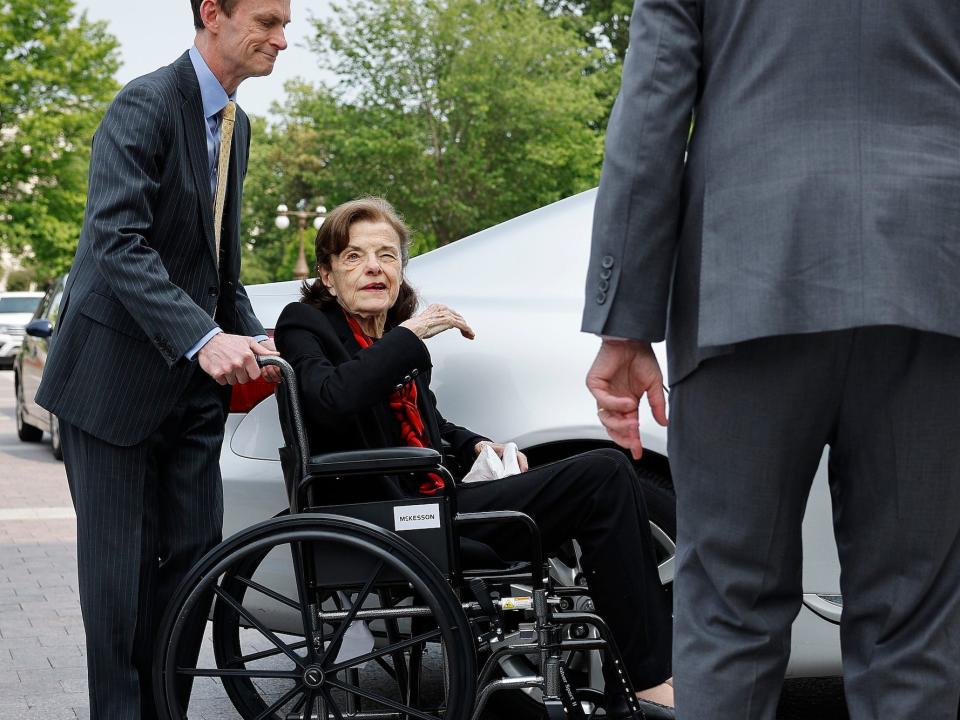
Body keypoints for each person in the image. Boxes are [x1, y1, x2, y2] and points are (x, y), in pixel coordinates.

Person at [582, 2, 960, 719]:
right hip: (932, 277)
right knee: (915, 625)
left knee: (730, 612)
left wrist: (625, 325)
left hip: (747, 279)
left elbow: (652, 109)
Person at [274, 197, 675, 718]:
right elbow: (330, 399)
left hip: (433, 506)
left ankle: (629, 681)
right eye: (354, 257)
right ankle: (647, 686)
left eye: (387, 255)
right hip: (383, 518)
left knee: (606, 476)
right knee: (604, 474)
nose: (374, 267)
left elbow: (432, 427)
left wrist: (479, 446)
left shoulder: (388, 340)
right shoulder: (305, 323)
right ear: (327, 276)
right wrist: (409, 335)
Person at [35, 1, 290, 716]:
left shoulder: (238, 129)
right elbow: (117, 241)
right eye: (268, 19)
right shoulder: (145, 103)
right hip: (111, 385)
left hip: (190, 392)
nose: (283, 38)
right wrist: (206, 338)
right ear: (212, 12)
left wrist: (263, 341)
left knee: (190, 575)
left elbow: (219, 272)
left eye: (285, 22)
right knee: (117, 592)